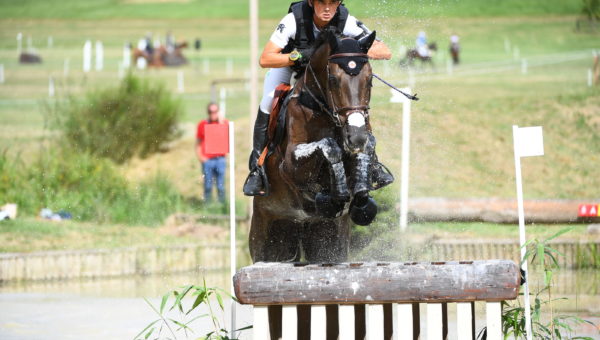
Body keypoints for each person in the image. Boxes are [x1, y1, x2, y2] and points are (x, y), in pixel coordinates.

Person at [243, 0, 394, 196]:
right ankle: (258, 169)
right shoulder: (293, 20)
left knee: (352, 102)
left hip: (324, 74)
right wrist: (297, 56)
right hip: (291, 66)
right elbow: (266, 59)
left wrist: (353, 49)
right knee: (267, 102)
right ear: (311, 3)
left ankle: (372, 164)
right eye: (322, 3)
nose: (328, 9)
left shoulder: (345, 19)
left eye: (333, 3)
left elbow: (385, 51)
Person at [196, 103, 228, 203]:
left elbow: (227, 138)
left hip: (220, 159)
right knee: (208, 186)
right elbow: (198, 142)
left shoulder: (224, 123)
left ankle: (223, 207)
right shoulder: (202, 124)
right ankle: (208, 207)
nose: (212, 114)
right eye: (210, 112)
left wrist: (221, 122)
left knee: (220, 186)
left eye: (215, 111)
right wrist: (200, 157)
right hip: (207, 160)